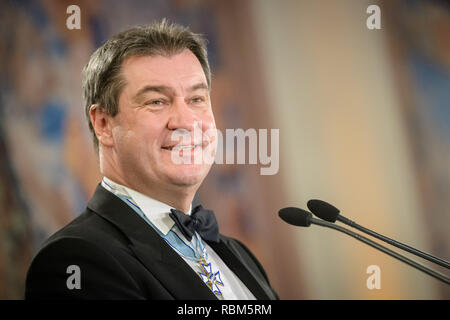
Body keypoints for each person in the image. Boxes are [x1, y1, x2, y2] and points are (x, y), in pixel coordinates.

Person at [25, 20, 278, 300]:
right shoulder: (74, 260)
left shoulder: (240, 256)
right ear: (104, 124)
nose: (186, 122)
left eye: (196, 99)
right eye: (157, 101)